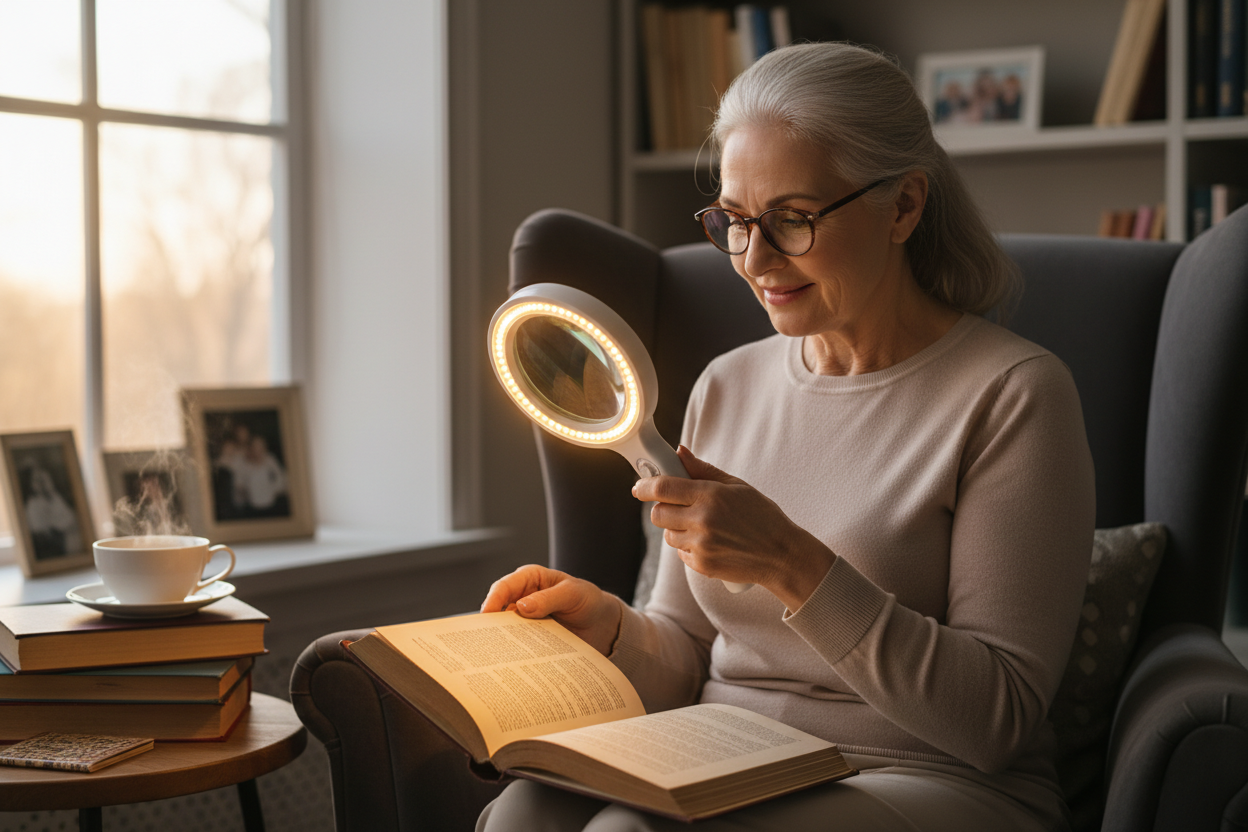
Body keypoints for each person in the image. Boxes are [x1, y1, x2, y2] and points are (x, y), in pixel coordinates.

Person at [478, 42, 1094, 832]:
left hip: (929, 780)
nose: (756, 259)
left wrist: (790, 563)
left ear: (904, 206)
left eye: (793, 220)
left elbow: (996, 720)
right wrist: (610, 627)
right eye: (734, 222)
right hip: (726, 755)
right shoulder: (726, 385)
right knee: (523, 812)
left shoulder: (1014, 394)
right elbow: (688, 651)